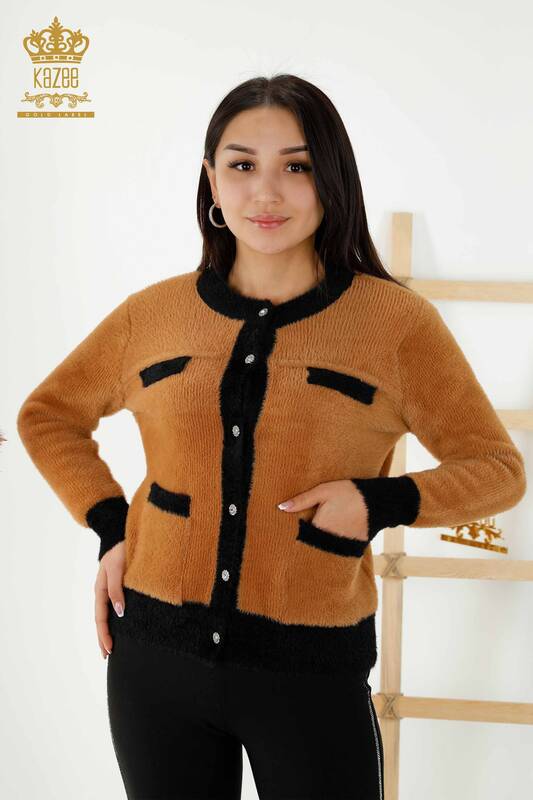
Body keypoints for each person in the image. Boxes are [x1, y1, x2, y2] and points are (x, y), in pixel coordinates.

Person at [17, 74, 527, 800]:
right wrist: (110, 525)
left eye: (296, 166)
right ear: (211, 181)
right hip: (154, 662)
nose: (266, 192)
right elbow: (47, 415)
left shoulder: (396, 325)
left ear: (332, 179)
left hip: (310, 671)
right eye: (241, 165)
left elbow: (498, 468)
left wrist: (376, 502)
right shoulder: (152, 315)